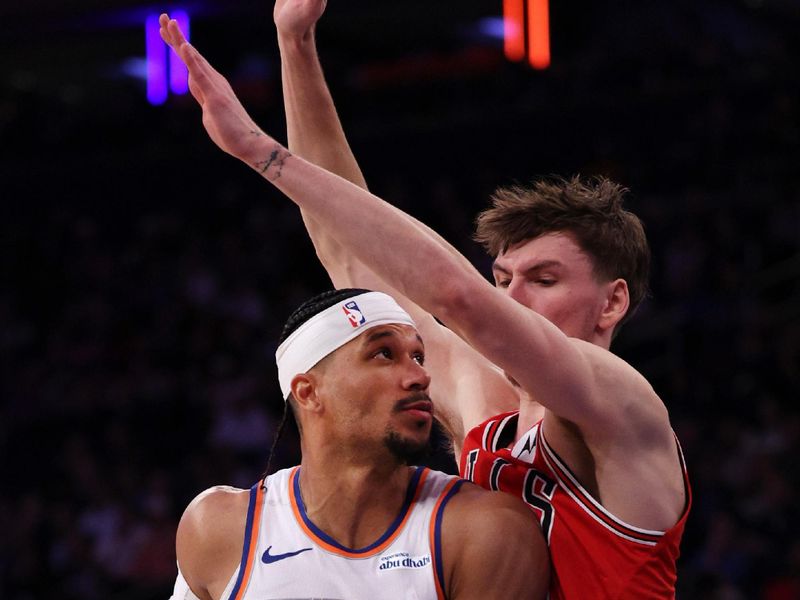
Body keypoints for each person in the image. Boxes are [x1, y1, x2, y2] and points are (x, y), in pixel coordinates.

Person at [160, 11, 690, 598]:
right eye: (503, 277)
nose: (511, 298)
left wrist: (265, 155)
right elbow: (350, 257)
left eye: (543, 279)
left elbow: (458, 296)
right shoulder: (488, 406)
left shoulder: (622, 405)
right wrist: (297, 43)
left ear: (612, 302)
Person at [168, 288, 549, 600]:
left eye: (418, 356)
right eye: (384, 354)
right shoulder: (217, 529)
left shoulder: (483, 530)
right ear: (309, 392)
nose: (419, 375)